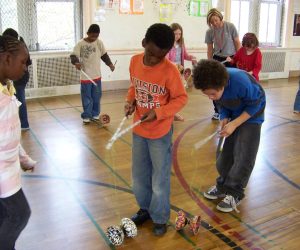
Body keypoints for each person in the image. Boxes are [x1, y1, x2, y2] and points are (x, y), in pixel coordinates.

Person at [125, 23, 188, 235]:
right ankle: (145, 209)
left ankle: (160, 217)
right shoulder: (134, 61)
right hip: (139, 131)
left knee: (159, 178)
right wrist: (130, 101)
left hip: (160, 133)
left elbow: (181, 98)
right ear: (144, 43)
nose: (153, 60)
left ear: (166, 54)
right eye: (150, 53)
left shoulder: (170, 70)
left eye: (159, 57)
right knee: (140, 176)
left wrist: (160, 112)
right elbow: (134, 86)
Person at [193, 59, 266, 213]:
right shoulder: (216, 89)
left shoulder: (240, 81)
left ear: (223, 85)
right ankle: (223, 186)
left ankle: (235, 192)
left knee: (244, 154)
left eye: (212, 94)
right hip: (235, 112)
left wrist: (235, 123)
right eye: (207, 95)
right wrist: (224, 116)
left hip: (252, 115)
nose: (211, 97)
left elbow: (256, 103)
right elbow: (221, 103)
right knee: (227, 154)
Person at [0, 35, 31, 250]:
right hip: (2, 173)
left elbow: (10, 134)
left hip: (9, 168)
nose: (25, 68)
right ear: (6, 59)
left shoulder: (7, 88)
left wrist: (23, 157)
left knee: (4, 215)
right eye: (23, 62)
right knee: (20, 213)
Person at [70, 24, 115, 124]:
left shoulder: (99, 43)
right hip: (86, 77)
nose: (94, 38)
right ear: (88, 33)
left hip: (97, 76)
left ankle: (95, 114)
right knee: (87, 97)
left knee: (96, 96)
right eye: (92, 36)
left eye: (96, 36)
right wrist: (76, 62)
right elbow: (73, 55)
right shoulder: (80, 44)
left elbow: (104, 56)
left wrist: (110, 64)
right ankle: (86, 115)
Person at [205, 8, 241, 120]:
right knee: (215, 86)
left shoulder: (230, 27)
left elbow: (237, 43)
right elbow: (210, 49)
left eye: (216, 20)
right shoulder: (209, 32)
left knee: (230, 85)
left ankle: (233, 109)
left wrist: (238, 59)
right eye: (212, 22)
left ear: (220, 17)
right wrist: (210, 62)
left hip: (231, 59)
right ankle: (218, 110)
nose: (214, 23)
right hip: (217, 59)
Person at [166, 23, 197, 121]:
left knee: (177, 93)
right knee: (171, 93)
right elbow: (165, 59)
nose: (178, 36)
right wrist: (175, 64)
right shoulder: (167, 43)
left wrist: (191, 58)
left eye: (179, 34)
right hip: (171, 70)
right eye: (175, 34)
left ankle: (173, 112)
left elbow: (185, 55)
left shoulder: (181, 43)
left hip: (179, 71)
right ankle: (172, 113)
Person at [2, 28, 32, 130]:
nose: (25, 67)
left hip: (21, 79)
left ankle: (24, 124)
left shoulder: (20, 50)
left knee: (18, 98)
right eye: (22, 62)